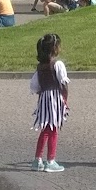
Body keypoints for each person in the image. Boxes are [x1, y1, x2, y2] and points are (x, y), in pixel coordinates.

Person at [30, 31, 70, 172]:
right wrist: (64, 99)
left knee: (45, 129)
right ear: (55, 48)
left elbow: (34, 86)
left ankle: (37, 159)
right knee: (53, 129)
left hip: (44, 99)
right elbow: (63, 83)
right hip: (54, 99)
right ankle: (50, 160)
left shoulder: (40, 67)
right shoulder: (57, 64)